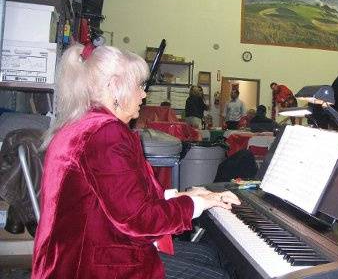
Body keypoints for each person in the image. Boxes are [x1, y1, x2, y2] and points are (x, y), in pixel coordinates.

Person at [31, 43, 240, 278]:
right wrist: (198, 204)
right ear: (114, 87)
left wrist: (187, 196)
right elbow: (138, 219)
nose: (144, 94)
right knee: (217, 274)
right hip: (88, 265)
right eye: (139, 86)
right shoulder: (105, 134)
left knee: (208, 256)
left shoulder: (86, 124)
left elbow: (125, 197)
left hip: (90, 246)